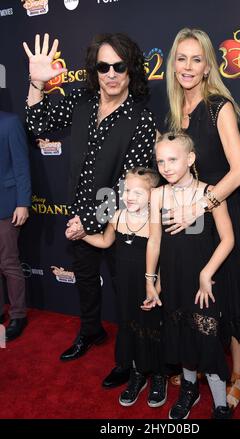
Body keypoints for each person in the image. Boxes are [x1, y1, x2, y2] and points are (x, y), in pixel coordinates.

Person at [23, 33, 156, 388]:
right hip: (78, 217)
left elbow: (130, 185)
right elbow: (38, 124)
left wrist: (91, 222)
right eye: (103, 66)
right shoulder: (81, 101)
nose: (111, 74)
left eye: (119, 66)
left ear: (131, 71)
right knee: (85, 282)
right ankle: (91, 331)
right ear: (94, 70)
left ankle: (128, 360)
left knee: (125, 290)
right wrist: (37, 83)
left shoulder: (140, 119)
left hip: (118, 222)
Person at [162, 28, 240, 408]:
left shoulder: (218, 107)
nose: (188, 67)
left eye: (196, 59)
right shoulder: (175, 111)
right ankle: (202, 360)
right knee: (198, 294)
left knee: (231, 292)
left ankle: (239, 374)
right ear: (173, 65)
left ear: (207, 67)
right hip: (190, 222)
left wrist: (200, 203)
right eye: (181, 58)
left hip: (219, 214)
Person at [146, 132, 234, 419]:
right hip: (173, 280)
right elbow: (155, 241)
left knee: (207, 338)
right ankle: (189, 390)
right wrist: (152, 280)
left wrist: (207, 273)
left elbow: (228, 239)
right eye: (160, 161)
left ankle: (220, 403)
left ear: (191, 158)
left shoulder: (210, 193)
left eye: (172, 159)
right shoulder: (157, 194)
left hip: (203, 284)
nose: (166, 167)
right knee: (181, 335)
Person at [68, 167, 167, 408]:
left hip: (149, 287)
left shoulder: (157, 220)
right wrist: (80, 235)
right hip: (124, 286)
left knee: (151, 329)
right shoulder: (118, 217)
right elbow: (104, 241)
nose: (129, 196)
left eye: (137, 192)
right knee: (129, 327)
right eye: (127, 191)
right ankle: (136, 373)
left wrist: (156, 286)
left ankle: (158, 375)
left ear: (153, 194)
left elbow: (164, 257)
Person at [0, 110, 31, 341]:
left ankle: (18, 315)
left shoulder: (9, 123)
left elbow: (21, 166)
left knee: (9, 262)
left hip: (7, 204)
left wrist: (23, 203)